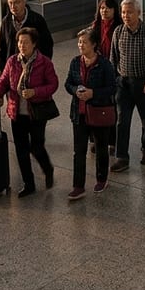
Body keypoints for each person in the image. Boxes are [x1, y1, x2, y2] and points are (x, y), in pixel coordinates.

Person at [0, 27, 59, 197]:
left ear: (34, 44)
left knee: (36, 146)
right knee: (21, 149)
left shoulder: (44, 63)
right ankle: (29, 183)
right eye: (20, 42)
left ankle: (47, 169)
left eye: (26, 42)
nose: (22, 45)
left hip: (36, 112)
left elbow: (53, 85)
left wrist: (36, 92)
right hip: (16, 112)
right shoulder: (12, 61)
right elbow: (4, 80)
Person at [109, 0, 145, 173]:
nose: (126, 15)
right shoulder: (118, 32)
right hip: (123, 84)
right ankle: (122, 157)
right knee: (121, 121)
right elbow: (113, 59)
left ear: (138, 13)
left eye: (130, 12)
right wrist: (114, 82)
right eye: (123, 12)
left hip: (144, 83)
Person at [63, 28, 117, 200]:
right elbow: (68, 83)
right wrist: (75, 91)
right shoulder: (75, 62)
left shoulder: (105, 65)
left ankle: (102, 179)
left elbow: (112, 88)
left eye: (84, 42)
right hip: (79, 113)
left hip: (98, 111)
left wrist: (93, 93)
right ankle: (78, 186)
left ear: (94, 44)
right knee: (78, 151)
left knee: (101, 147)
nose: (81, 45)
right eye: (79, 42)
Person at [0, 0, 54, 68]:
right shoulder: (6, 21)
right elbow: (2, 48)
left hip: (34, 68)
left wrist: (42, 67)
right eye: (10, 3)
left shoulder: (37, 20)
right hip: (12, 68)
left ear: (24, 2)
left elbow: (47, 45)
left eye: (17, 2)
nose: (13, 6)